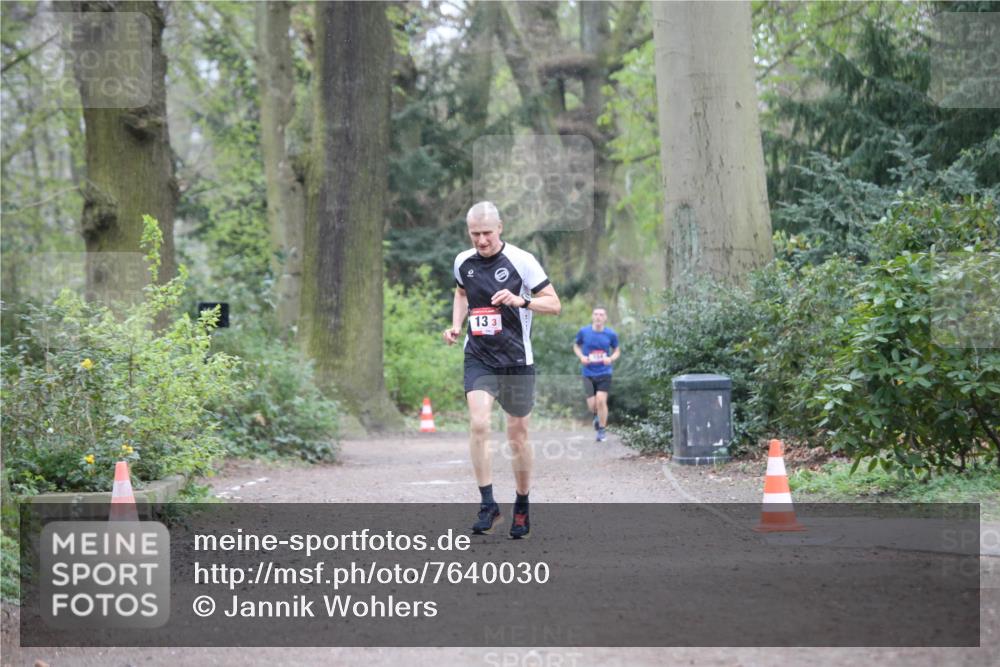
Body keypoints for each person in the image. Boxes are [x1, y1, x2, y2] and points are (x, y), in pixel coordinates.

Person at [443, 201, 561, 539]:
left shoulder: (522, 261)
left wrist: (521, 300)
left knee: (517, 435)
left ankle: (522, 504)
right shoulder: (462, 261)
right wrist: (455, 325)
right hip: (479, 356)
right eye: (474, 234)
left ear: (501, 228)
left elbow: (554, 303)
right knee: (479, 423)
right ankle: (488, 504)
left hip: (516, 360)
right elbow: (461, 292)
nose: (481, 241)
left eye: (487, 234)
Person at [573, 307, 620, 442]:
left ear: (605, 318)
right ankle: (596, 417)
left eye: (601, 315)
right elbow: (576, 346)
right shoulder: (584, 332)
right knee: (592, 405)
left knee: (601, 400)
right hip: (588, 372)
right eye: (596, 314)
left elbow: (617, 350)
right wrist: (582, 357)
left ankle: (602, 430)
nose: (598, 317)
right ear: (592, 317)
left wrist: (610, 358)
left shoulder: (610, 334)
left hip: (604, 372)